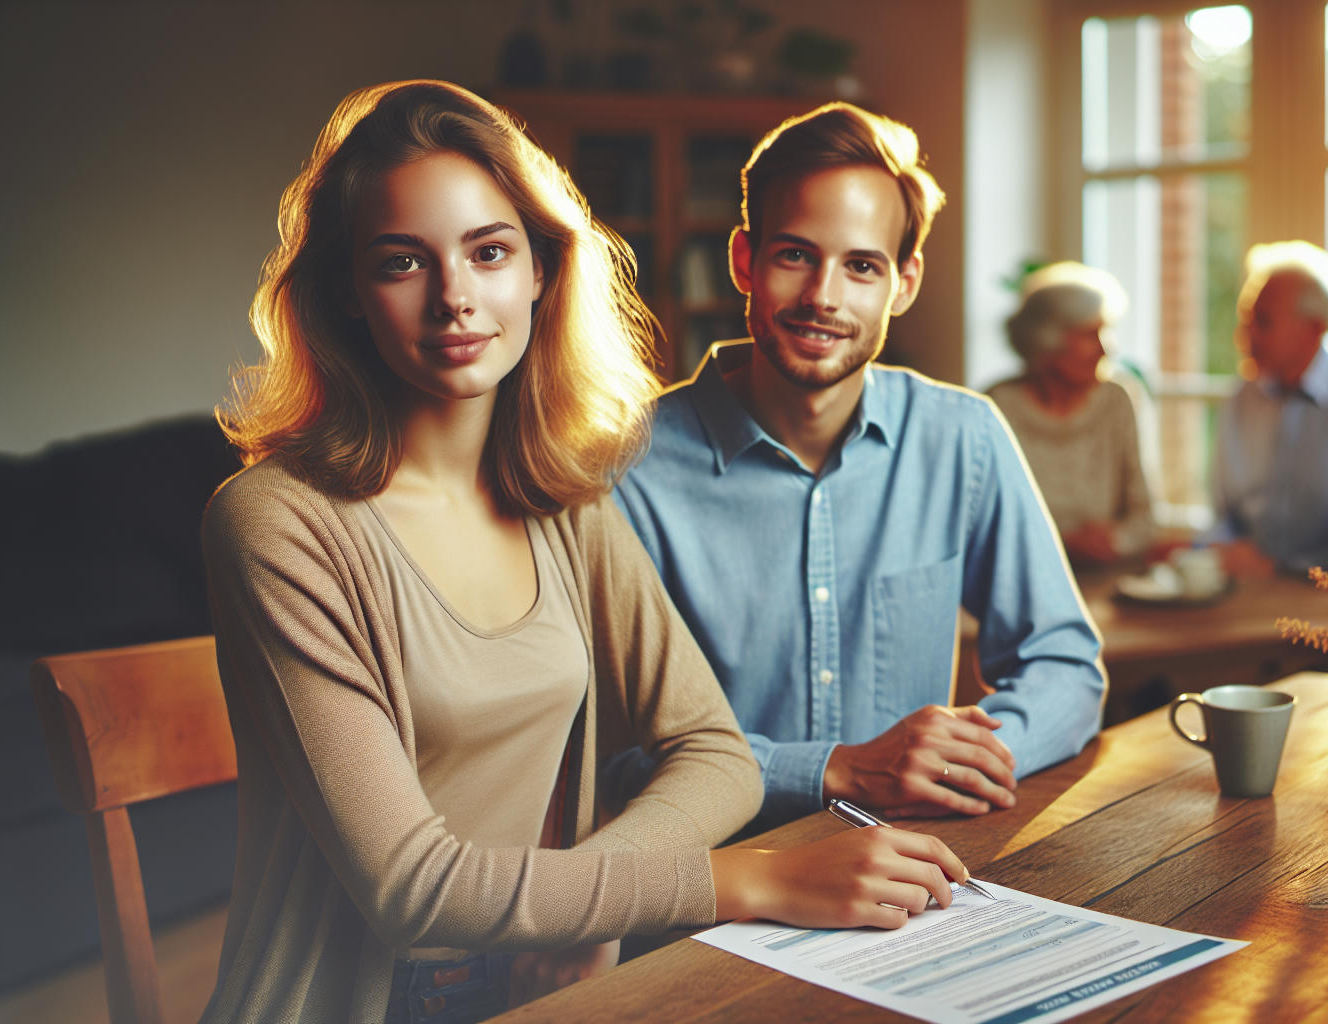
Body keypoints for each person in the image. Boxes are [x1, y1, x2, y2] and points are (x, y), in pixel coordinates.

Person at [200, 81, 972, 1024]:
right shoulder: (276, 523)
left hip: (556, 988)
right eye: (402, 262)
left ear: (539, 270)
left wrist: (582, 901)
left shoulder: (560, 496)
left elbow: (716, 753)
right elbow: (415, 892)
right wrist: (749, 879)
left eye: (489, 252)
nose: (455, 298)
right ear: (345, 294)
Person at [614, 103, 1104, 829]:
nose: (823, 297)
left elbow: (1063, 663)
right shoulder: (629, 470)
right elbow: (611, 750)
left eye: (862, 266)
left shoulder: (962, 438)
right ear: (744, 261)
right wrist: (835, 770)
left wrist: (968, 760)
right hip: (722, 878)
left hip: (915, 866)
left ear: (903, 284)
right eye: (794, 256)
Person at [1204, 240, 1328, 577]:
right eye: (1245, 320)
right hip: (1245, 587)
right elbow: (1224, 516)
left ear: (1313, 329)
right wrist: (1219, 550)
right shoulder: (1241, 398)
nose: (1243, 335)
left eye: (1262, 322)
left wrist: (1283, 568)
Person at [985, 262, 1156, 567]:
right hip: (1022, 576)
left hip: (1106, 576)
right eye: (1091, 335)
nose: (1105, 350)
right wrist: (1062, 543)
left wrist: (1115, 541)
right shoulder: (997, 406)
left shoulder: (1116, 403)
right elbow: (981, 522)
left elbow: (1144, 517)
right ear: (1047, 341)